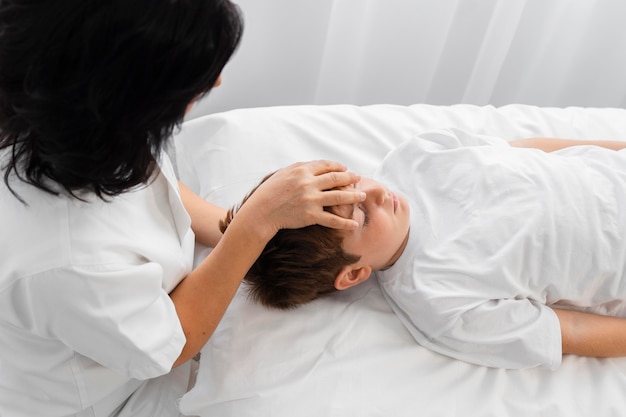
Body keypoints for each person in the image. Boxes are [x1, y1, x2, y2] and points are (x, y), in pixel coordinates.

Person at [0, 1, 364, 416]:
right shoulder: (70, 259)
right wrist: (256, 222)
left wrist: (236, 227)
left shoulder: (73, 121)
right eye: (196, 76)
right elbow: (171, 339)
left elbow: (152, 184)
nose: (219, 81)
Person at [221, 127, 626, 370]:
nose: (375, 191)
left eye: (353, 181)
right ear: (354, 273)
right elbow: (567, 329)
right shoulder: (439, 303)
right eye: (361, 215)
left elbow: (527, 149)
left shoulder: (417, 156)